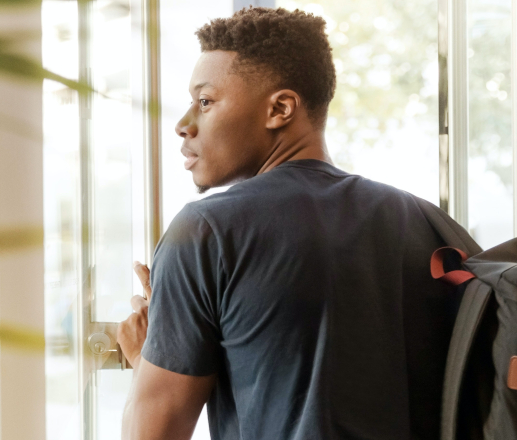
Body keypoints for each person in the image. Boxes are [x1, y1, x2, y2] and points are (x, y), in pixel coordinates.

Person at [115, 7, 458, 440]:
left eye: (205, 101)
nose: (184, 125)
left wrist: (146, 359)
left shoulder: (206, 231)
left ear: (280, 108)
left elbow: (151, 435)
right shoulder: (426, 223)